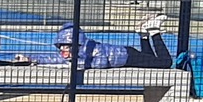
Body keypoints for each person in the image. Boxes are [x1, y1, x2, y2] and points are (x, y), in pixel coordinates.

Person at [21, 14, 173, 68]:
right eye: (61, 47)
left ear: (75, 44)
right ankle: (143, 34)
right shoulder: (74, 53)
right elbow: (53, 59)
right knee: (152, 60)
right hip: (126, 56)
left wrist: (77, 64)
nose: (62, 51)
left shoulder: (92, 47)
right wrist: (31, 58)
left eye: (66, 47)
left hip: (127, 56)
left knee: (165, 63)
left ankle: (154, 31)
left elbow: (101, 63)